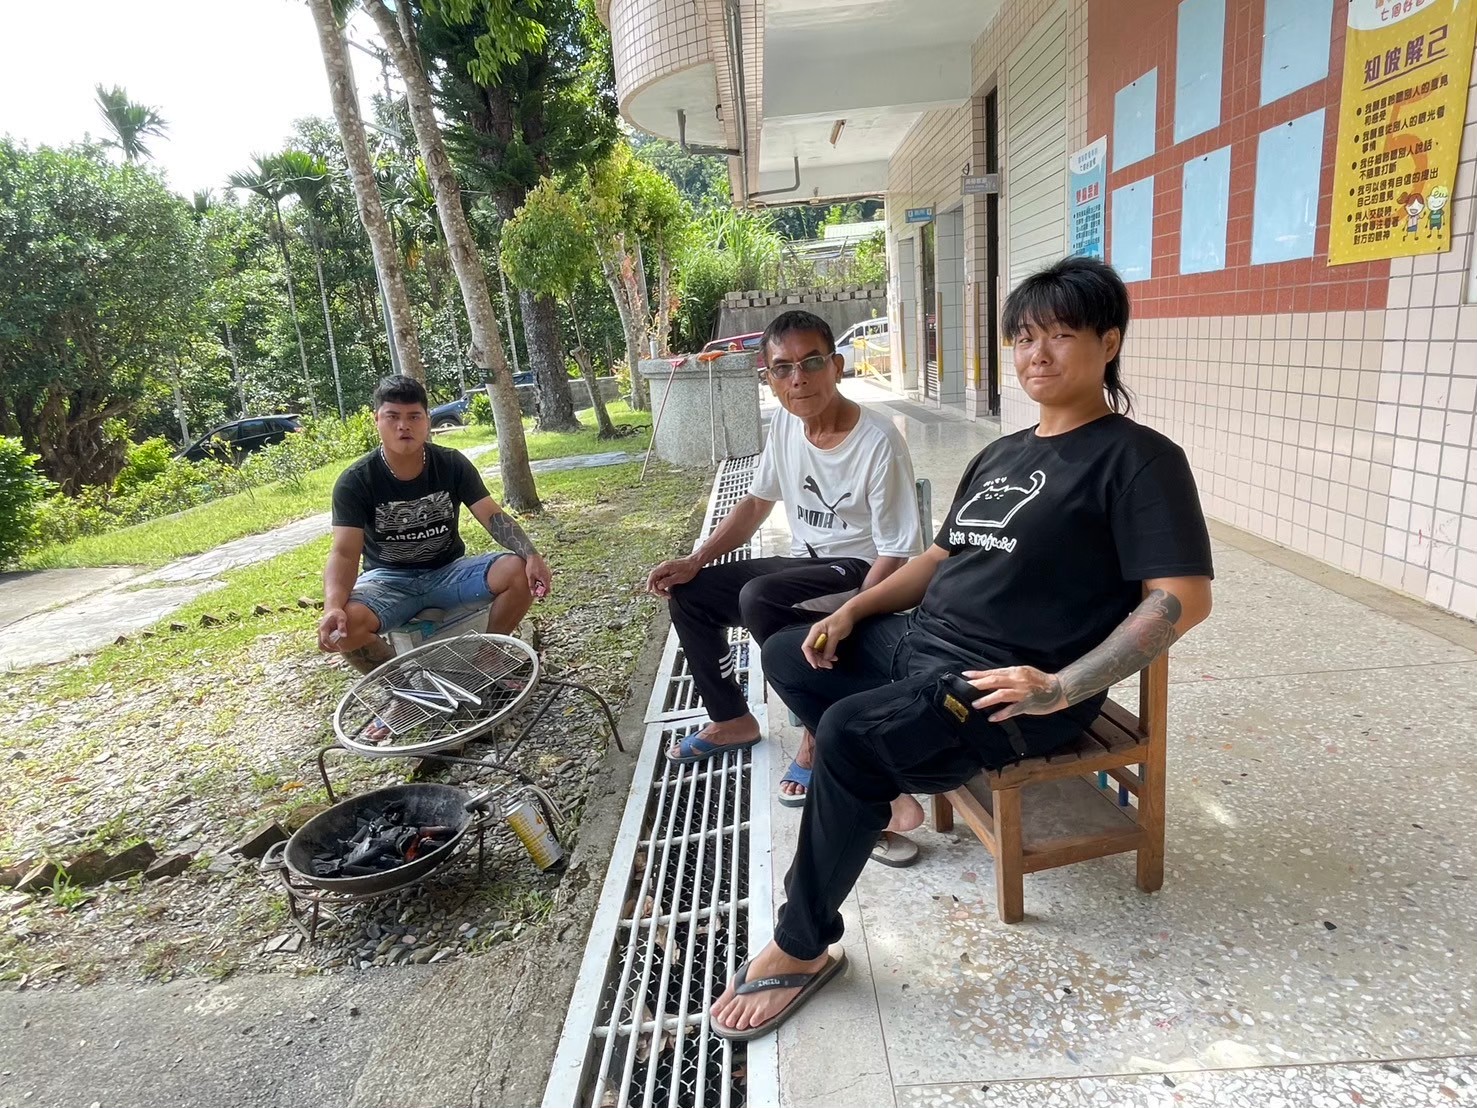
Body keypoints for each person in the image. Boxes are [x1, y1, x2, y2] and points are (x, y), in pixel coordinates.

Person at [709, 256, 1215, 1041]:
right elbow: (938, 559)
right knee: (786, 652)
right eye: (1023, 338)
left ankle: (803, 945)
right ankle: (880, 795)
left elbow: (1180, 599)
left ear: (1108, 343)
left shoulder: (1138, 459)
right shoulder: (1001, 453)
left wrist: (1062, 687)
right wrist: (853, 611)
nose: (1036, 354)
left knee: (848, 733)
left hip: (1008, 687)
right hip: (920, 644)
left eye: (1059, 335)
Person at [645, 309, 922, 768]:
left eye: (812, 362)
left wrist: (855, 616)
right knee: (691, 594)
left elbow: (895, 552)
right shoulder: (787, 425)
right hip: (806, 568)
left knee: (760, 597)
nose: (799, 378)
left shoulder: (877, 442)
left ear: (836, 366)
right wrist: (696, 560)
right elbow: (757, 503)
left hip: (858, 571)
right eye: (783, 368)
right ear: (770, 379)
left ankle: (819, 732)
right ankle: (732, 719)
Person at [317, 374, 551, 674]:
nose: (404, 426)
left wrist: (530, 554)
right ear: (377, 420)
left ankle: (489, 655)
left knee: (518, 571)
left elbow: (492, 515)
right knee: (345, 629)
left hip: (448, 571)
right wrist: (333, 606)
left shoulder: (451, 463)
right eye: (393, 416)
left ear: (427, 421)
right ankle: (402, 691)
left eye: (414, 416)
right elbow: (344, 553)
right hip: (388, 580)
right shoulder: (356, 481)